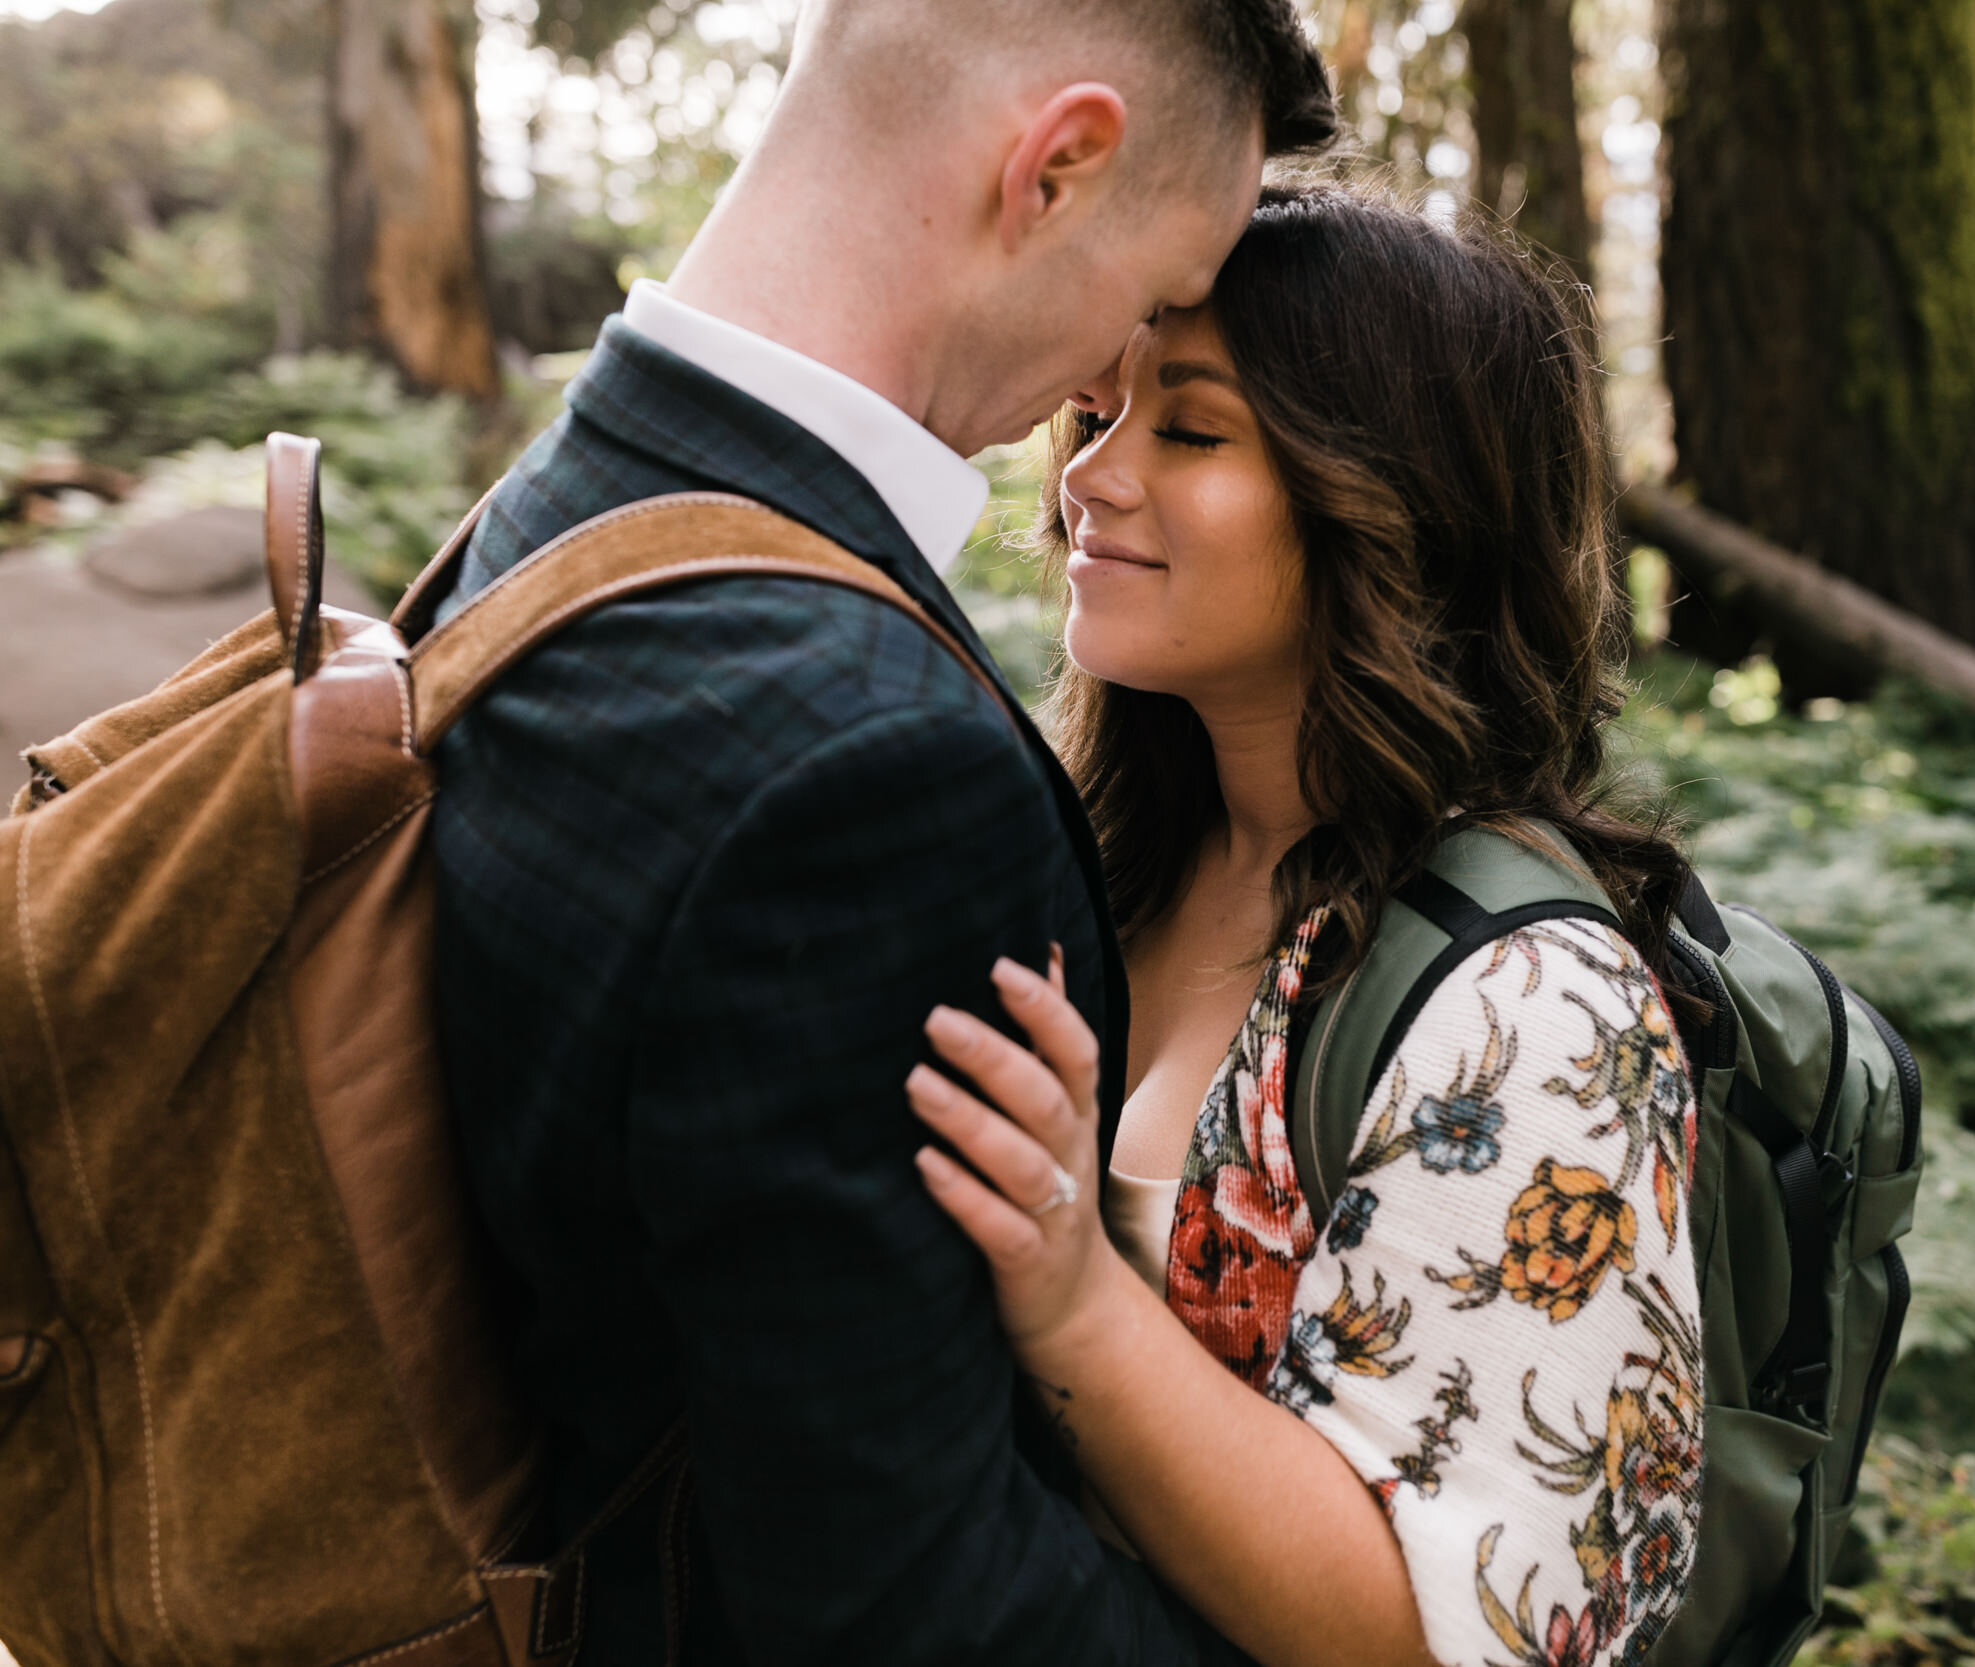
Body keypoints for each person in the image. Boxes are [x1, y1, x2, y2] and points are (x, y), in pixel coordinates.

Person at [427, 3, 1334, 1661]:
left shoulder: (556, 514)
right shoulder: (867, 770)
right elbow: (897, 1608)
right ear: (1056, 167)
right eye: (1152, 297)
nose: (1101, 380)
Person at [905, 184, 1711, 1667]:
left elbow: (1452, 1634)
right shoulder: (1095, 853)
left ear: (1392, 503)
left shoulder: (1531, 1008)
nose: (1093, 475)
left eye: (1191, 431)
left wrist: (1080, 1299)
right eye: (1103, 413)